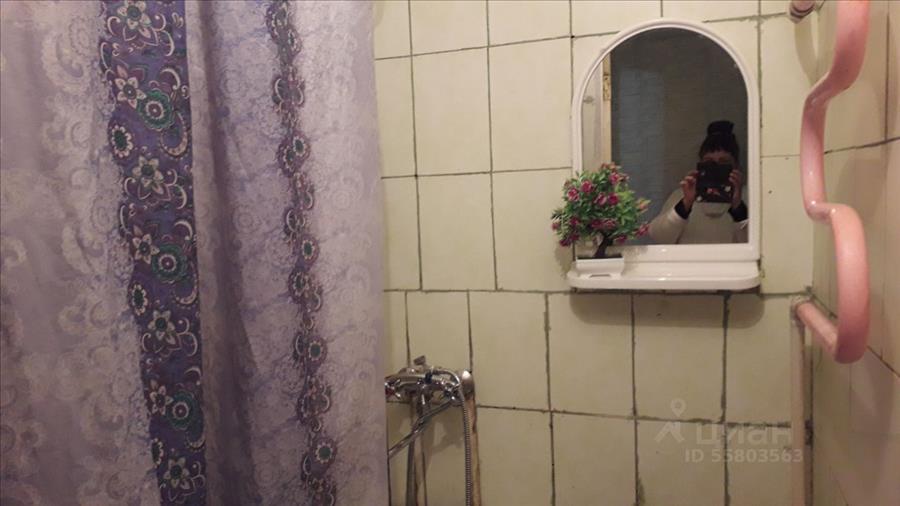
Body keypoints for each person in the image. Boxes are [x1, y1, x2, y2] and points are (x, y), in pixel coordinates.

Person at [648, 120, 748, 244]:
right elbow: (659, 237)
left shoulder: (748, 196)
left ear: (736, 166)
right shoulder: (682, 196)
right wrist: (685, 205)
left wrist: (738, 207)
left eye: (724, 163)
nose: (715, 168)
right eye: (709, 162)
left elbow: (760, 243)